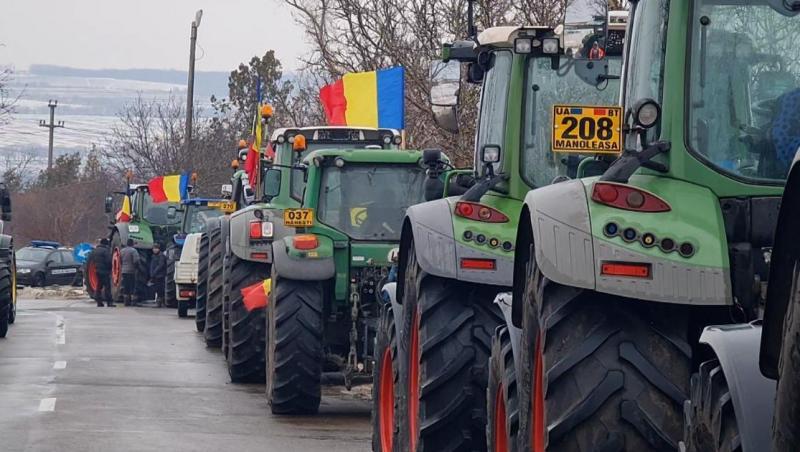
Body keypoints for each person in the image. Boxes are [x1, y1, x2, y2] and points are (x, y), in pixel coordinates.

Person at [89, 238, 113, 307]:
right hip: (105, 271)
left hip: (97, 271)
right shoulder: (105, 251)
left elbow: (92, 260)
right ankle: (109, 302)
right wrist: (110, 269)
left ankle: (99, 302)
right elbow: (108, 261)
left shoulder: (94, 251)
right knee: (107, 287)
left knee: (99, 286)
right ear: (105, 244)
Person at [120, 238, 140, 306]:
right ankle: (133, 301)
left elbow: (120, 260)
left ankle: (126, 301)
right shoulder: (133, 251)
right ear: (132, 244)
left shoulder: (122, 251)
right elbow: (136, 260)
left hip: (124, 271)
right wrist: (137, 268)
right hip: (132, 271)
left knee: (126, 286)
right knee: (133, 286)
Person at [149, 243, 167, 308]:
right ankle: (159, 301)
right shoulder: (153, 256)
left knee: (160, 289)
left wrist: (154, 272)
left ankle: (160, 302)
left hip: (160, 275)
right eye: (154, 248)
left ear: (158, 249)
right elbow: (151, 265)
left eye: (156, 248)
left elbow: (161, 265)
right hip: (155, 275)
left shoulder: (161, 256)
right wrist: (151, 273)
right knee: (156, 288)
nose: (155, 250)